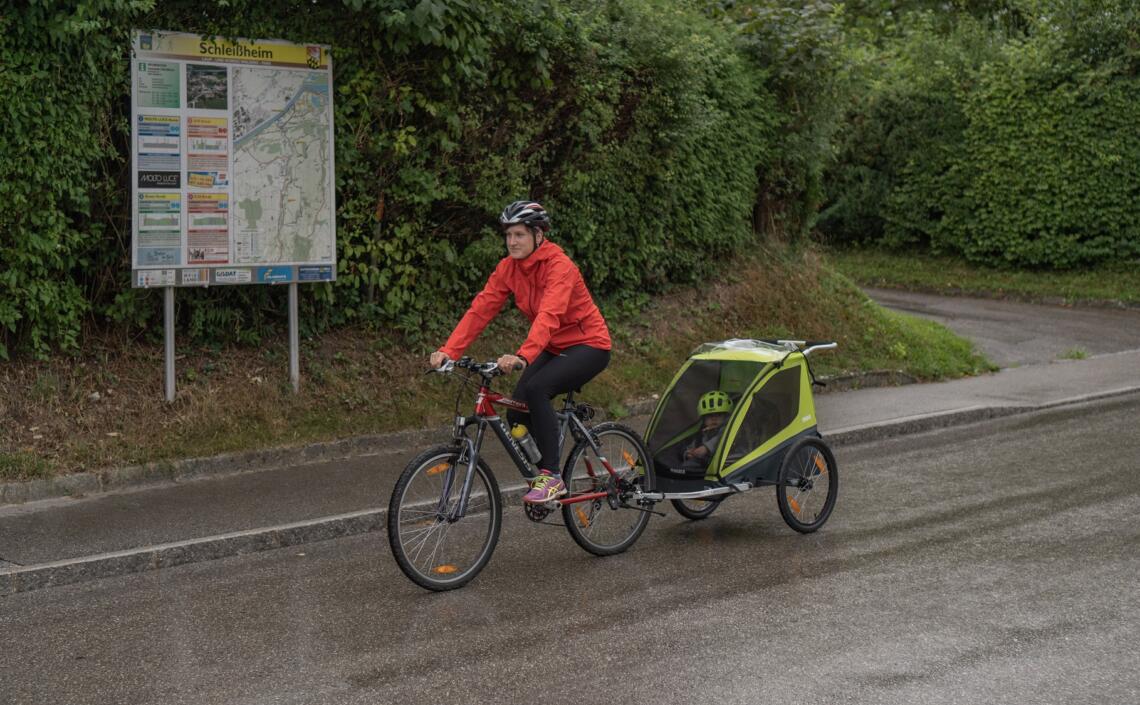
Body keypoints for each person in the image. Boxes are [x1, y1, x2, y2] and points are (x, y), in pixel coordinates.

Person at [429, 200, 612, 503]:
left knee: (539, 388)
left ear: (539, 235)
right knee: (516, 410)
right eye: (508, 235)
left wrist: (523, 356)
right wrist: (449, 350)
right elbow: (480, 311)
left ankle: (553, 477)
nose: (512, 242)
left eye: (519, 235)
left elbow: (549, 315)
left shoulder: (560, 266)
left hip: (588, 345)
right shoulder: (508, 269)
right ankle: (543, 471)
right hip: (552, 346)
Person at [681, 391, 733, 469]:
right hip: (705, 466)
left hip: (725, 466)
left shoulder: (728, 430)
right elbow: (692, 446)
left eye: (719, 415)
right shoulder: (702, 433)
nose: (714, 419)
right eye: (710, 416)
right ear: (704, 419)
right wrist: (689, 453)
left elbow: (722, 438)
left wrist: (706, 448)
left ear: (726, 417)